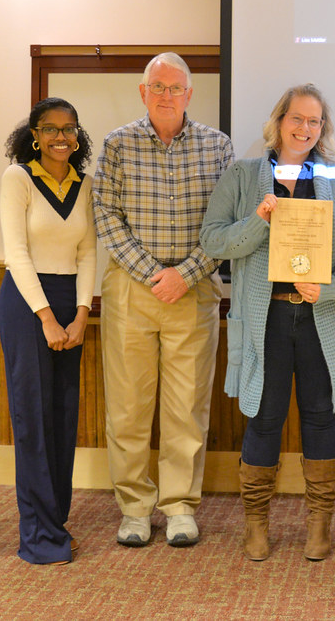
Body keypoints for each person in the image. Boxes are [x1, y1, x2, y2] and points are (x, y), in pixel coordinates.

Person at [200, 84, 335, 562]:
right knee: (264, 416)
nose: (304, 128)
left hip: (322, 315)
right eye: (297, 118)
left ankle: (319, 525)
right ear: (278, 122)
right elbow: (213, 242)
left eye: (314, 121)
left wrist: (333, 286)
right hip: (265, 318)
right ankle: (256, 525)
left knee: (320, 416)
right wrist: (258, 220)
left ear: (323, 129)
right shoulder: (242, 176)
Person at [93, 52, 234, 547]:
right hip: (133, 291)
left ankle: (178, 507)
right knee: (128, 408)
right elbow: (107, 219)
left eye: (176, 88)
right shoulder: (116, 145)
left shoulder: (217, 147)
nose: (167, 95)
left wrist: (185, 274)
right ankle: (134, 508)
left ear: (190, 94)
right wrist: (156, 275)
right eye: (159, 87)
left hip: (194, 293)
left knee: (185, 408)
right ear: (143, 92)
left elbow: (225, 226)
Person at [0, 97, 96, 565]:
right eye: (51, 128)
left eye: (69, 128)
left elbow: (88, 255)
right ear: (34, 134)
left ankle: (56, 520)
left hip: (69, 305)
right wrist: (47, 317)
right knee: (33, 416)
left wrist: (80, 314)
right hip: (26, 304)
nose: (61, 137)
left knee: (61, 414)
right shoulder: (18, 178)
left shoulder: (86, 184)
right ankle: (37, 534)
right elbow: (16, 253)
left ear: (78, 135)